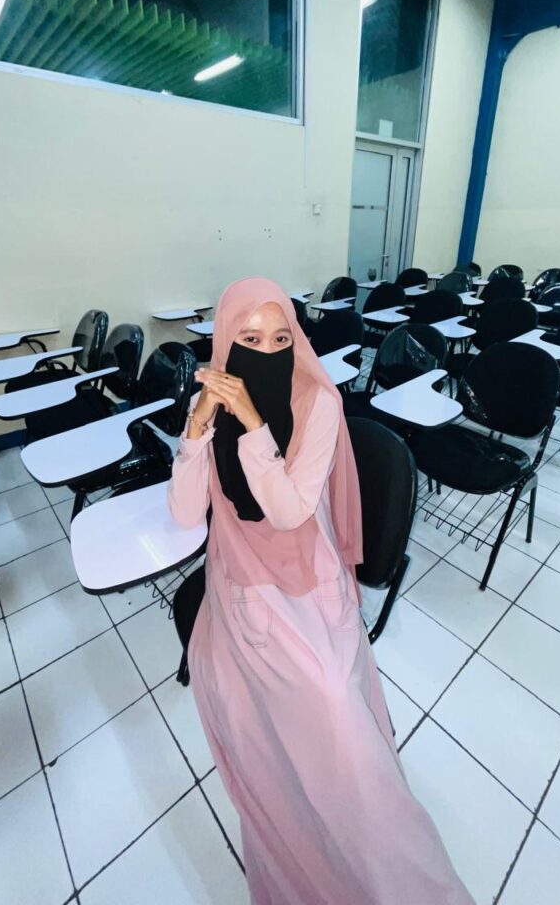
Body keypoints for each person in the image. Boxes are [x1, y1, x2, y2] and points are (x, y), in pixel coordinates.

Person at [167, 277, 474, 905]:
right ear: (225, 341)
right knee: (263, 737)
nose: (267, 351)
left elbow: (287, 512)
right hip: (240, 586)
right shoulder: (213, 399)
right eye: (250, 339)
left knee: (338, 724)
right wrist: (197, 429)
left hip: (307, 582)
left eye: (281, 339)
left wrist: (253, 425)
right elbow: (185, 513)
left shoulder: (318, 402)